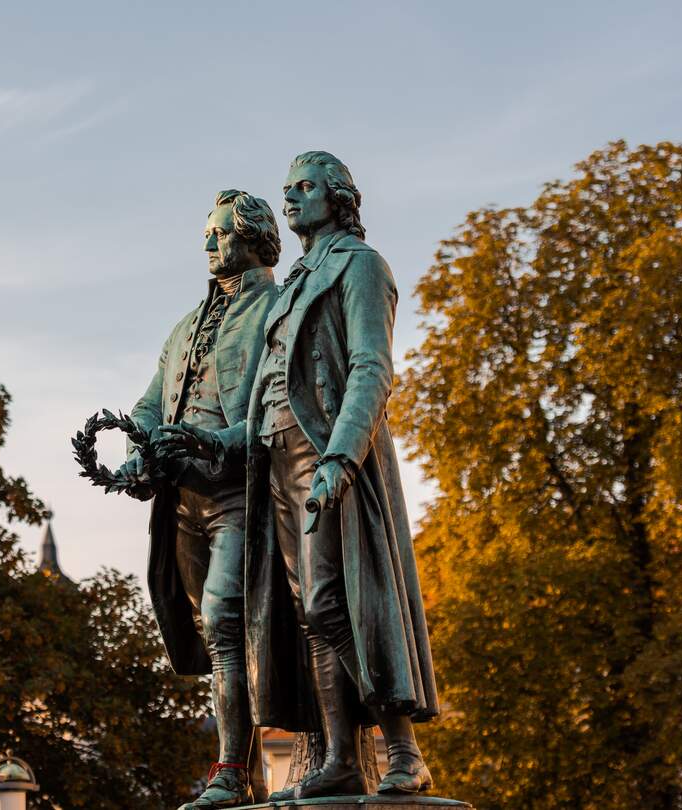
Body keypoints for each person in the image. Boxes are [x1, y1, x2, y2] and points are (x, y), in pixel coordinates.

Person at [160, 152, 438, 799]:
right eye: (287, 189)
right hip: (275, 460)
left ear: (339, 198)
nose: (291, 199)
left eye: (305, 188)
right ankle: (339, 755)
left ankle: (402, 749)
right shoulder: (294, 285)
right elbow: (265, 389)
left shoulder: (361, 266)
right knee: (306, 614)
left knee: (332, 602)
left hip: (322, 452)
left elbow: (371, 366)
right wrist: (217, 440)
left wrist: (343, 456)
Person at [120, 189, 281, 808]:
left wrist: (215, 442)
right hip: (181, 503)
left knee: (224, 621)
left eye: (218, 233)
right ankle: (245, 770)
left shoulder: (277, 310)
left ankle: (232, 772)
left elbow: (279, 411)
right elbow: (148, 402)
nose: (207, 243)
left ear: (253, 237)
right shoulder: (186, 324)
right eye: (208, 233)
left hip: (240, 496)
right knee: (215, 641)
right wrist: (138, 451)